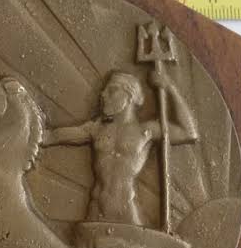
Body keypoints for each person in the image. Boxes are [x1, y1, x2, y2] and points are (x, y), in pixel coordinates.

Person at [43, 70, 198, 225]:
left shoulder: (145, 131)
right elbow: (53, 136)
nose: (103, 94)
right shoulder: (96, 128)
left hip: (126, 212)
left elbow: (188, 133)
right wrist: (34, 130)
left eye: (112, 90)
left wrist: (170, 87)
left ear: (129, 96)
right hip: (96, 209)